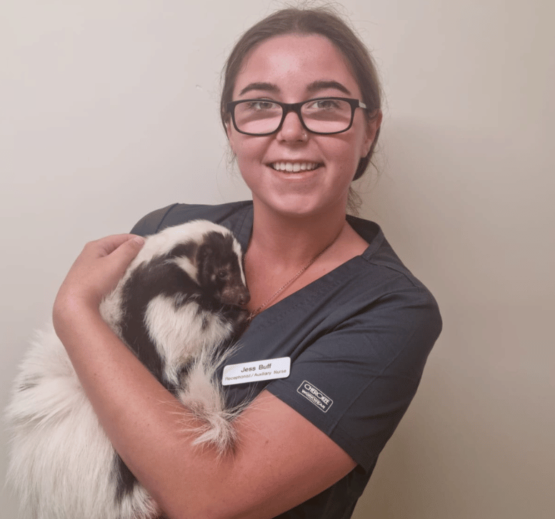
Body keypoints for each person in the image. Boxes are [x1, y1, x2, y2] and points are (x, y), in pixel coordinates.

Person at [52, 7, 442, 519]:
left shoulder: (392, 312)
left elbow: (213, 497)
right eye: (261, 104)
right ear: (232, 130)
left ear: (369, 131)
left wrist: (74, 313)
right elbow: (73, 416)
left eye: (325, 104)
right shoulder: (168, 230)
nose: (292, 131)